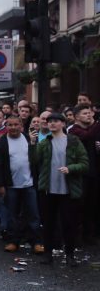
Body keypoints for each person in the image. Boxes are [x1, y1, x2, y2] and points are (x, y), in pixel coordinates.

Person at [33, 114, 89, 265]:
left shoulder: (73, 141)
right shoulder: (45, 142)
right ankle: (48, 254)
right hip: (48, 189)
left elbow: (85, 164)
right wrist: (33, 144)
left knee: (69, 223)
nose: (51, 124)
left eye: (55, 121)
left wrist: (70, 168)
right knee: (48, 223)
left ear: (63, 123)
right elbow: (34, 161)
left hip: (68, 190)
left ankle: (70, 255)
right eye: (49, 121)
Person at [0, 114, 42, 254]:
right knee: (12, 215)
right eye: (10, 125)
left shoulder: (29, 139)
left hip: (29, 184)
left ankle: (36, 242)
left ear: (21, 125)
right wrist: (0, 185)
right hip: (11, 185)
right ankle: (13, 241)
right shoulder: (1, 142)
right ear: (6, 125)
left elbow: (35, 161)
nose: (13, 127)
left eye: (16, 125)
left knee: (33, 214)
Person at [67, 103, 100, 246]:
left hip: (94, 172)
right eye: (85, 113)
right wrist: (96, 123)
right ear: (76, 117)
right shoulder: (74, 131)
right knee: (78, 206)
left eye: (90, 113)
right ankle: (74, 237)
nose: (89, 115)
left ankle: (89, 234)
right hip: (80, 174)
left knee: (92, 205)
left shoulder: (94, 129)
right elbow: (87, 136)